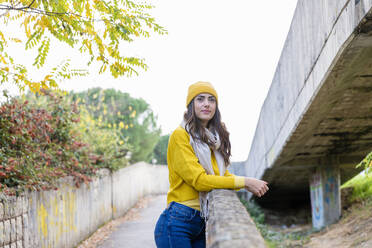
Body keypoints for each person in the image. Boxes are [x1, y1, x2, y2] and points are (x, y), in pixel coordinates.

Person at [154, 81, 269, 248]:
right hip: (177, 222)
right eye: (200, 99)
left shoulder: (212, 138)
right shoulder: (180, 136)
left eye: (211, 99)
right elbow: (200, 181)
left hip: (201, 221)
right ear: (191, 105)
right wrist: (245, 182)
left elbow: (221, 176)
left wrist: (247, 182)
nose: (206, 104)